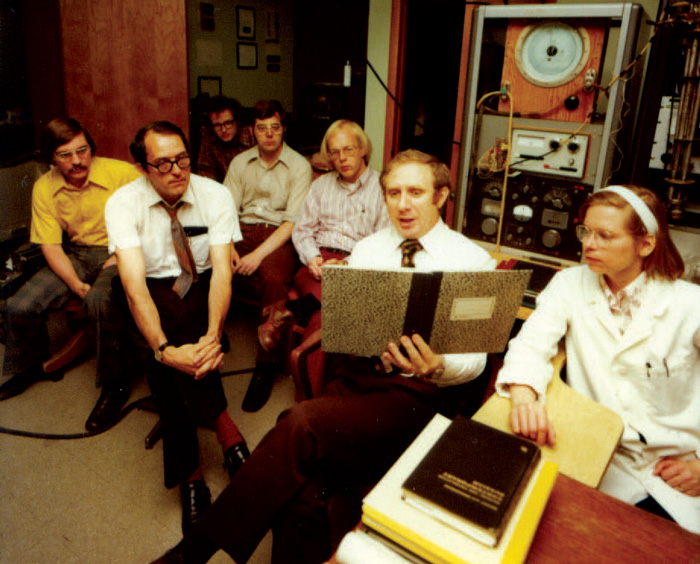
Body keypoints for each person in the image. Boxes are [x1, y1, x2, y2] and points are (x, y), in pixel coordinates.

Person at [150, 149, 496, 564]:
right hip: (354, 379)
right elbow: (344, 328)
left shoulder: (472, 261)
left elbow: (476, 361)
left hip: (415, 394)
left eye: (416, 193)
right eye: (393, 193)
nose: (403, 205)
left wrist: (438, 364)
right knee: (301, 499)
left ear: (440, 196)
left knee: (298, 423)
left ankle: (193, 551)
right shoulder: (368, 251)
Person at [496, 185, 700, 533]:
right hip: (593, 453)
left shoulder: (689, 304)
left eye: (605, 235)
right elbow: (531, 344)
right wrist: (523, 395)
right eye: (586, 231)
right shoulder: (570, 284)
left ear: (646, 243)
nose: (589, 244)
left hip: (674, 468)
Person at [105, 121, 250, 534]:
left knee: (180, 337)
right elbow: (134, 286)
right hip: (151, 286)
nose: (176, 170)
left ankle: (191, 479)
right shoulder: (122, 203)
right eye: (163, 163)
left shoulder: (215, 194)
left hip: (199, 281)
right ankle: (228, 435)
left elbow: (223, 271)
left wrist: (209, 337)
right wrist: (167, 350)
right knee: (169, 330)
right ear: (142, 167)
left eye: (182, 159)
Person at [0, 117, 141, 432]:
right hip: (75, 253)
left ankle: (116, 384)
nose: (77, 161)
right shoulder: (44, 187)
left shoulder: (122, 174)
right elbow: (50, 245)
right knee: (19, 305)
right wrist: (75, 284)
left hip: (121, 250)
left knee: (99, 300)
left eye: (82, 150)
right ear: (51, 158)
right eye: (66, 154)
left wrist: (120, 254)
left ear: (91, 148)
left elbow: (148, 220)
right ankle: (31, 364)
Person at [257, 119, 390, 399]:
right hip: (314, 267)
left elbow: (383, 243)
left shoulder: (382, 188)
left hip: (356, 267)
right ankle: (313, 392)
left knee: (325, 312)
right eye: (334, 152)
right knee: (331, 296)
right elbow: (302, 231)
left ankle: (293, 317)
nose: (341, 158)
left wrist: (346, 266)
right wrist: (314, 258)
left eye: (348, 149)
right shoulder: (321, 187)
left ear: (363, 149)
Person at [223, 99, 312, 412]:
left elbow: (291, 223)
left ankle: (266, 364)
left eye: (275, 127)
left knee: (274, 279)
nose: (269, 134)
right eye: (262, 128)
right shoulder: (240, 163)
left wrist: (256, 256)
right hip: (242, 231)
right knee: (207, 263)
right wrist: (230, 248)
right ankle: (212, 335)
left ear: (283, 129)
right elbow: (226, 212)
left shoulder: (300, 166)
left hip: (278, 237)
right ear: (253, 131)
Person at [196, 95, 254, 183]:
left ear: (237, 122)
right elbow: (205, 174)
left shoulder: (251, 135)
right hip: (223, 192)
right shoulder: (208, 139)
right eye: (217, 125)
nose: (223, 130)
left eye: (228, 123)